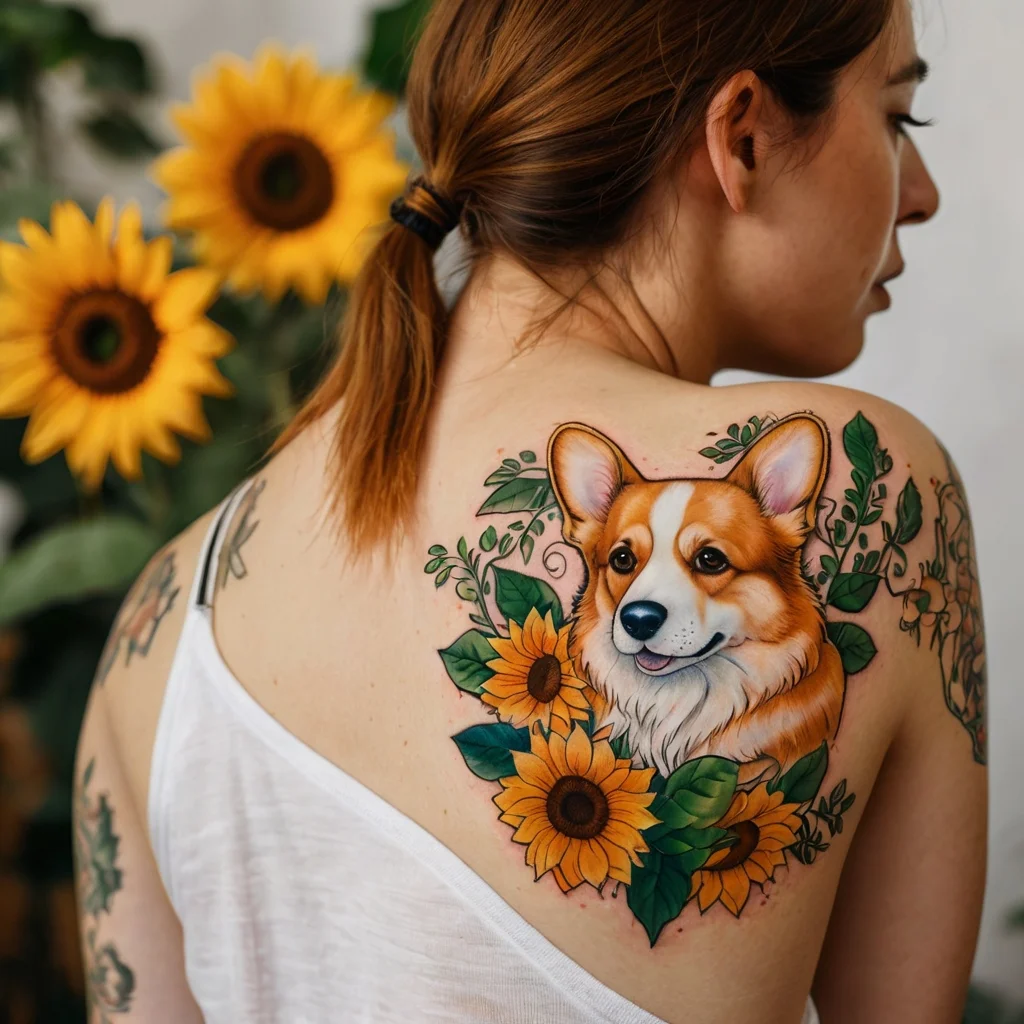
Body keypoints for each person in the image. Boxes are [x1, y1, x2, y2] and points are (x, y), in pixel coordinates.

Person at [74, 0, 986, 1021]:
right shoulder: (874, 484)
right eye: (898, 120)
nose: (921, 194)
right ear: (740, 135)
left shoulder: (159, 622)